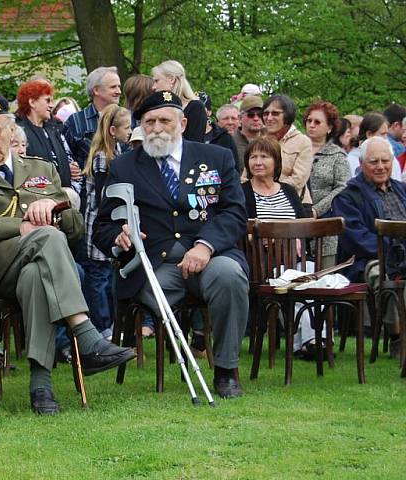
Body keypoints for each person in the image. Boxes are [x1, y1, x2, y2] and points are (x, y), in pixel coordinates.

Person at [0, 98, 136, 415]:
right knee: (45, 238)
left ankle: (41, 388)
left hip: (41, 263)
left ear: (9, 131)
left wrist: (58, 211)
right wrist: (24, 224)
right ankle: (86, 337)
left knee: (36, 275)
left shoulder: (41, 168)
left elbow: (74, 229)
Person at [93, 91, 249, 399]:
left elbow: (234, 211)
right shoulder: (125, 166)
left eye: (165, 120)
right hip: (155, 266)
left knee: (231, 277)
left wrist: (205, 246)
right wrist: (118, 234)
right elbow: (103, 225)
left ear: (183, 122)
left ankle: (226, 371)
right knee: (152, 291)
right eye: (149, 121)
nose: (157, 128)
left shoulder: (216, 158)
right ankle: (186, 348)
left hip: (209, 256)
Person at [241, 137, 323, 356]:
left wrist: (296, 239)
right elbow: (244, 232)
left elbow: (301, 227)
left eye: (264, 156)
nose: (258, 162)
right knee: (296, 278)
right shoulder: (243, 193)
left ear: (276, 162)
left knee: (313, 276)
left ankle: (310, 341)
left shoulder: (288, 191)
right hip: (263, 262)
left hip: (296, 259)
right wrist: (281, 240)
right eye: (253, 157)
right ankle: (310, 342)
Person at [333, 136, 406, 358]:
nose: (381, 166)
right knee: (384, 276)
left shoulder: (403, 190)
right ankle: (397, 338)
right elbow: (356, 239)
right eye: (374, 162)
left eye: (385, 161)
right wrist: (391, 253)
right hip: (369, 260)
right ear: (362, 164)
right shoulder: (348, 196)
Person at [81, 104, 131, 337]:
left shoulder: (119, 152)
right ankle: (101, 325)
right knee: (98, 277)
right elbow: (103, 198)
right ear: (113, 130)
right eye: (127, 127)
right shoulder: (103, 157)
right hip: (98, 223)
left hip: (113, 223)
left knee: (107, 275)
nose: (130, 131)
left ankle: (110, 323)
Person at [304, 101, 349, 266]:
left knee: (323, 278)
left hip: (326, 230)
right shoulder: (296, 150)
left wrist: (317, 210)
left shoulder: (338, 155)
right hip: (295, 228)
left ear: (329, 127)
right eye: (309, 121)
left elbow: (342, 188)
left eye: (317, 122)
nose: (311, 125)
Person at [15, 79, 75, 187]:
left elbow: (67, 158)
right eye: (48, 100)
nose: (52, 105)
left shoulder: (54, 128)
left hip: (63, 194)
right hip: (36, 196)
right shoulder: (17, 131)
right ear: (32, 102)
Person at [64, 66, 122, 173]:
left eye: (119, 86)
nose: (119, 91)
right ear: (96, 90)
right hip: (88, 186)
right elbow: (64, 155)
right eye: (113, 87)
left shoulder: (127, 118)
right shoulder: (76, 121)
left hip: (123, 185)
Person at [262, 94, 313, 205]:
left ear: (288, 115)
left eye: (275, 113)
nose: (269, 118)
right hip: (260, 204)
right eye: (266, 113)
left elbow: (298, 180)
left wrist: (266, 190)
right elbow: (246, 177)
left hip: (295, 204)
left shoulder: (303, 142)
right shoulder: (259, 142)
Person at [151, 60, 207, 142]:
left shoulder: (195, 108)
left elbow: (195, 146)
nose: (153, 87)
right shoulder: (157, 108)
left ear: (171, 79)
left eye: (157, 81)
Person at [346, 112, 402, 180]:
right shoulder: (350, 160)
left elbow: (396, 184)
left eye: (384, 161)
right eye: (382, 134)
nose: (386, 139)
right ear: (369, 134)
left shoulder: (391, 159)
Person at [200, 92, 240, 172]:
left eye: (234, 118)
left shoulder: (226, 139)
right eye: (225, 118)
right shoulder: (185, 135)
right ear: (217, 121)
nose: (230, 122)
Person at [232, 95, 265, 166]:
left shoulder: (272, 140)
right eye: (251, 115)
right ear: (240, 118)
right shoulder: (230, 142)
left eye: (260, 114)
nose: (256, 118)